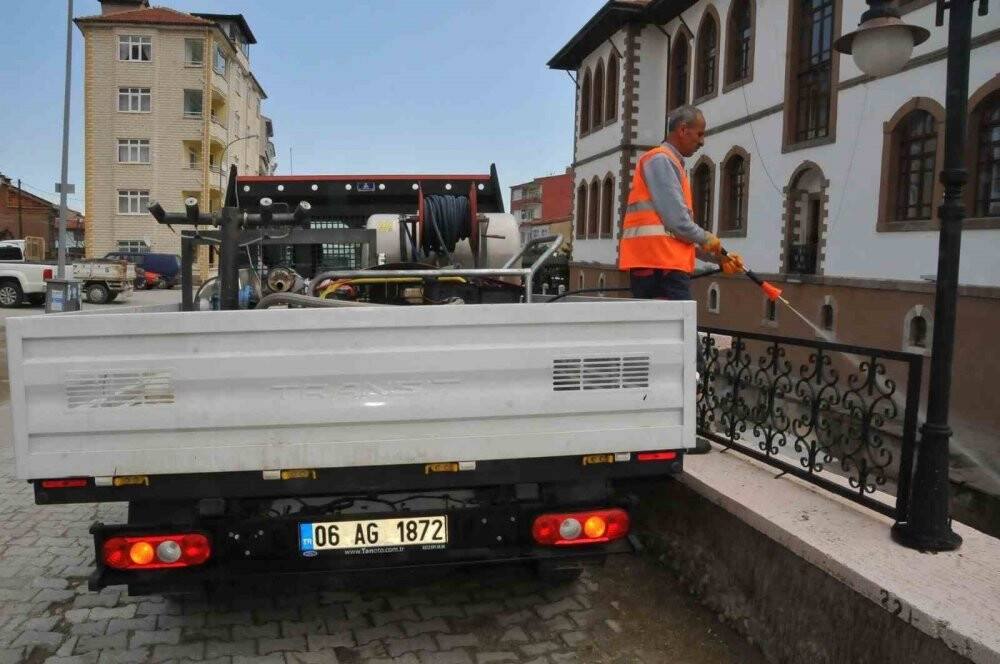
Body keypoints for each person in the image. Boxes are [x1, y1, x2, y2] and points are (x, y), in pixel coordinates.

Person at [618, 105, 744, 300]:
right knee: (676, 328)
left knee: (667, 328)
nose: (702, 142)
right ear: (683, 130)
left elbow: (677, 236)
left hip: (659, 267)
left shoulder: (669, 162)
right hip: (660, 268)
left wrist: (719, 257)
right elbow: (677, 223)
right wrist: (707, 238)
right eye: (700, 134)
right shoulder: (661, 160)